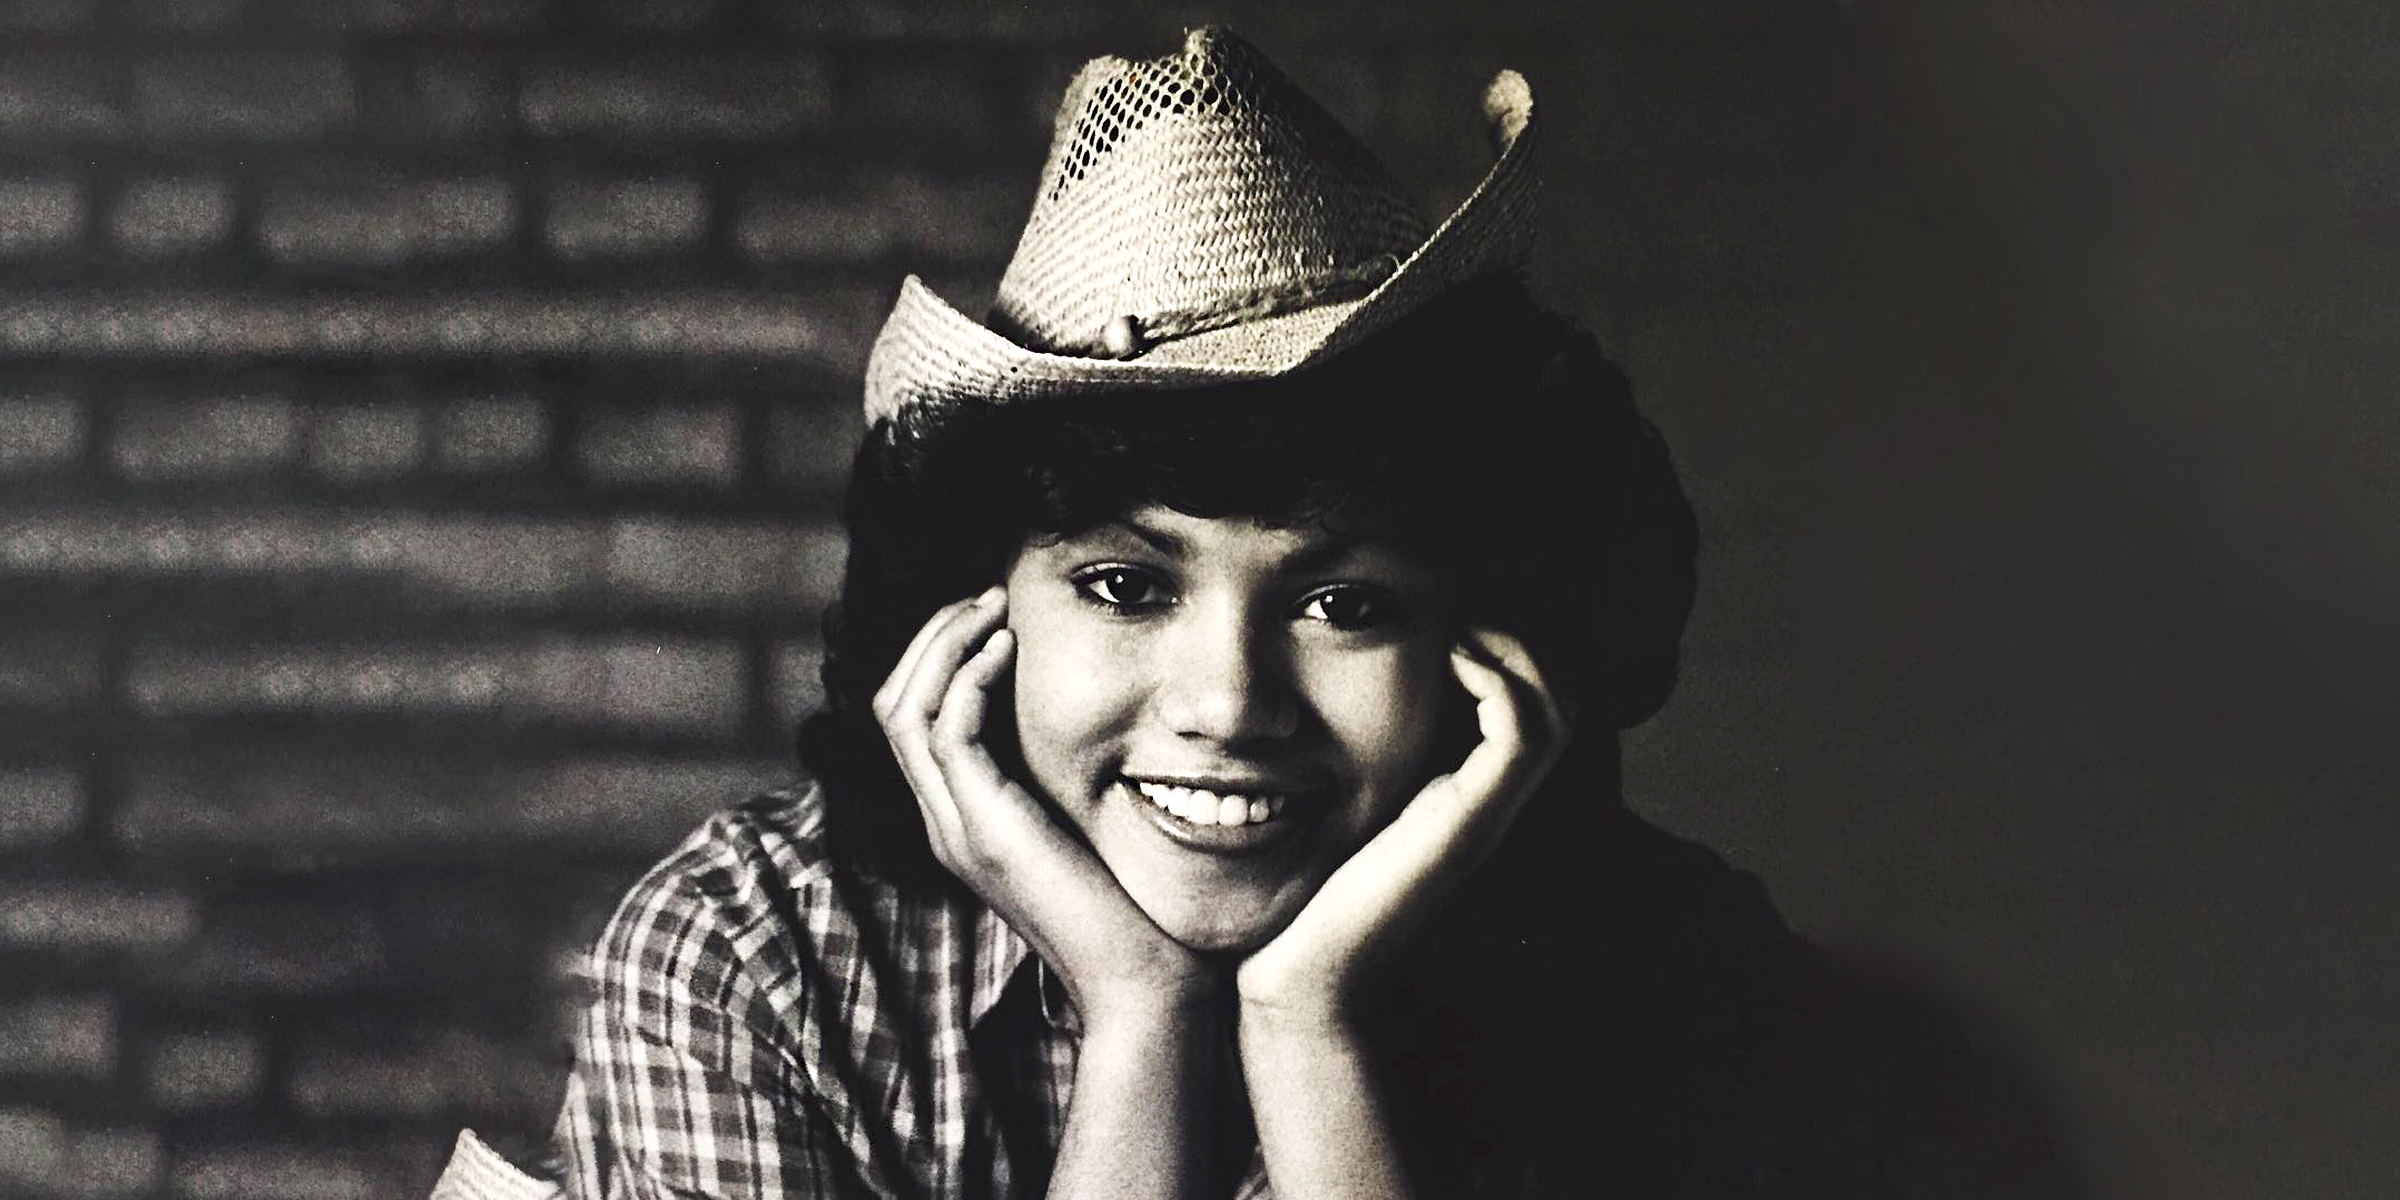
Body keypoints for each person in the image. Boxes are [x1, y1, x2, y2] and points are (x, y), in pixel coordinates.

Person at [423, 26, 2087, 1200]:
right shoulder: (758, 960)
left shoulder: (1676, 988)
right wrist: (1145, 1021)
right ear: (972, 617)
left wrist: (1309, 1030)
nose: (1227, 698)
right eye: (1127, 585)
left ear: (1489, 648)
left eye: (1346, 598)